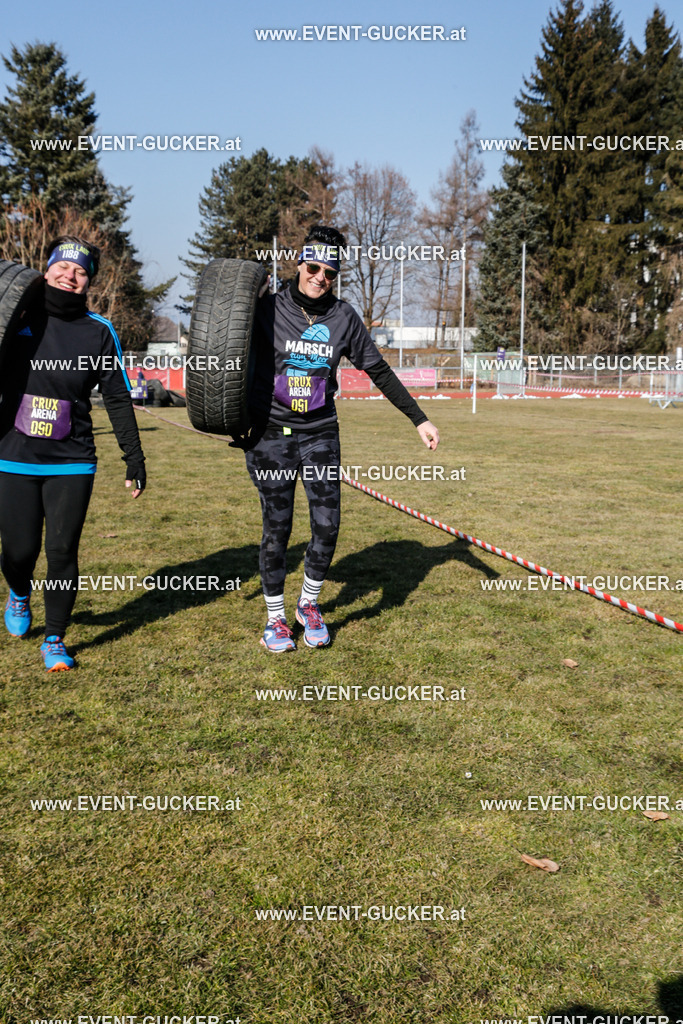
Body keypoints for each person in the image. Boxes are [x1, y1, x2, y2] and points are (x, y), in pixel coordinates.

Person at [244, 225, 439, 653]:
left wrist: (419, 419)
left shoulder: (343, 317)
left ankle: (308, 605)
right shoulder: (266, 309)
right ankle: (275, 619)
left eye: (330, 273)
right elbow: (226, 349)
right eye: (313, 268)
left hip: (320, 432)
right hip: (271, 434)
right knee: (277, 527)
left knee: (327, 525)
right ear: (300, 264)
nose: (320, 278)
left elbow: (378, 369)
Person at [0, 236, 146, 671]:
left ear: (89, 282)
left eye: (81, 272)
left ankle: (55, 638)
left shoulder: (99, 330)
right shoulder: (15, 318)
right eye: (63, 267)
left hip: (72, 458)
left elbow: (117, 397)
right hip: (14, 453)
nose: (70, 276)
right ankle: (20, 592)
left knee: (62, 549)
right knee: (19, 551)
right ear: (46, 270)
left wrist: (134, 457)